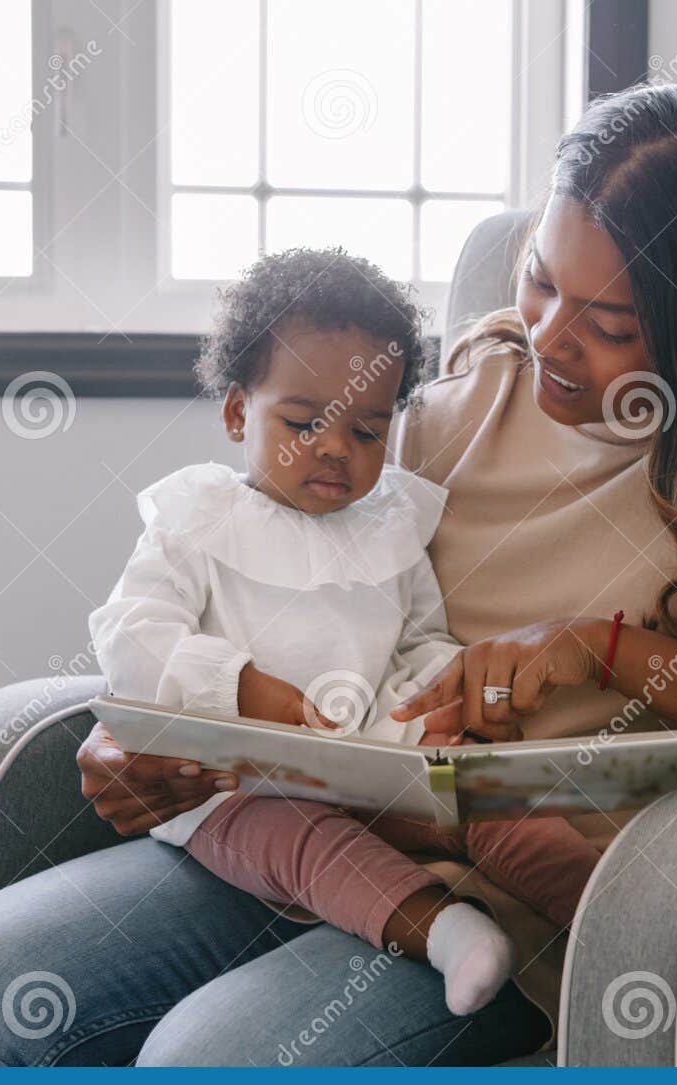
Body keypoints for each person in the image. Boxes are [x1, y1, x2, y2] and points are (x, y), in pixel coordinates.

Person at [0, 83, 677, 1067]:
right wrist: (157, 727)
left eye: (611, 324)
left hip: (532, 893)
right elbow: (292, 570)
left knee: (214, 1069)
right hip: (310, 821)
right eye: (540, 279)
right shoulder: (475, 382)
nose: (549, 338)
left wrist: (612, 649)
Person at [86, 247, 599, 1017]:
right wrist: (236, 687)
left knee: (492, 798)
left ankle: (617, 917)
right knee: (302, 841)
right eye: (303, 422)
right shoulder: (196, 521)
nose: (335, 447)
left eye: (366, 429)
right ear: (236, 413)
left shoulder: (389, 527)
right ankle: (445, 930)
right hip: (238, 789)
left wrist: (436, 704)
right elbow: (133, 634)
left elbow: (420, 641)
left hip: (373, 761)